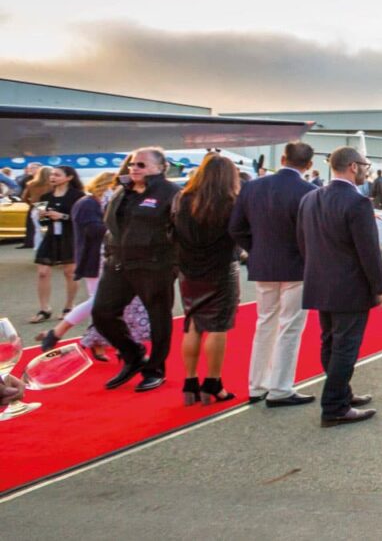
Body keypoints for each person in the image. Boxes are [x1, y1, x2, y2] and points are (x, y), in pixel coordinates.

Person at [299, 146, 382, 427]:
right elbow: (368, 251)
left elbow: (302, 242)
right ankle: (335, 405)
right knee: (345, 347)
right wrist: (379, 286)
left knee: (330, 342)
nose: (365, 170)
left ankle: (340, 394)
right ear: (353, 166)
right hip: (349, 286)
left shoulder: (310, 198)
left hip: (319, 281)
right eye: (364, 165)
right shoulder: (357, 203)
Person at [229, 141, 317, 407]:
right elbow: (311, 234)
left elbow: (236, 227)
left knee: (264, 323)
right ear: (309, 165)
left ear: (283, 158)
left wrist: (256, 249)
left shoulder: (253, 187)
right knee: (290, 327)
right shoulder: (309, 192)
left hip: (263, 264)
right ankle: (280, 387)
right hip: (297, 266)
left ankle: (257, 385)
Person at [93, 146, 180, 393]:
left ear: (160, 168)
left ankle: (155, 369)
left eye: (141, 165)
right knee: (102, 313)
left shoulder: (172, 193)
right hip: (119, 264)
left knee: (159, 319)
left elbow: (182, 230)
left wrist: (176, 263)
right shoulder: (124, 191)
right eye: (132, 164)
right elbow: (111, 224)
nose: (134, 168)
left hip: (154, 266)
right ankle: (133, 354)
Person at [173, 154, 243, 405]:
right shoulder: (230, 203)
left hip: (189, 271)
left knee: (192, 323)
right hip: (221, 270)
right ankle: (213, 382)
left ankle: (189, 380)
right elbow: (240, 235)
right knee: (217, 326)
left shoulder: (183, 199)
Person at [37, 172, 115, 353]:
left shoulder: (82, 198)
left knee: (103, 301)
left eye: (57, 174)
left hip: (100, 254)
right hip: (91, 255)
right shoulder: (85, 202)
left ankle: (97, 341)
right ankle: (57, 331)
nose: (53, 177)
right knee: (99, 300)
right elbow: (93, 229)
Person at [32, 165, 84, 324]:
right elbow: (43, 224)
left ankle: (69, 307)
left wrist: (63, 216)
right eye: (52, 175)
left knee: (70, 272)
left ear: (69, 177)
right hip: (50, 237)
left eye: (57, 175)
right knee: (42, 272)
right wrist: (42, 217)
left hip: (70, 237)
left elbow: (82, 219)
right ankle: (44, 309)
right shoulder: (45, 197)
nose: (53, 177)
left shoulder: (78, 196)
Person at [18, 164, 50, 250]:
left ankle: (38, 247)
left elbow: (23, 198)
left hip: (36, 207)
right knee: (51, 229)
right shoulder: (52, 184)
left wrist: (32, 204)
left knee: (37, 229)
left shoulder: (31, 184)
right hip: (49, 208)